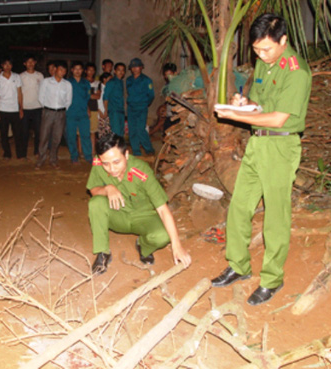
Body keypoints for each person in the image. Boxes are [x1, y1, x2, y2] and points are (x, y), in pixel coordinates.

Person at [212, 13, 312, 305]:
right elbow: (260, 103)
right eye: (256, 50)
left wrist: (233, 116)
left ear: (283, 41)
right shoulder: (263, 63)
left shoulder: (297, 72)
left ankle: (272, 280)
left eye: (266, 49)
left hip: (281, 147)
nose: (260, 55)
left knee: (276, 216)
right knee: (239, 207)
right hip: (257, 144)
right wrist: (245, 104)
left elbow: (280, 119)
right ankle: (239, 266)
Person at [86, 133, 192, 274]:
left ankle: (143, 246)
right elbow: (93, 190)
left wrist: (176, 245)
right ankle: (103, 253)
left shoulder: (141, 171)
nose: (111, 169)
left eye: (116, 162)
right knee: (96, 203)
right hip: (118, 214)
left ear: (127, 155)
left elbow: (162, 209)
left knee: (162, 236)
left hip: (143, 217)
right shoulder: (98, 163)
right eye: (106, 163)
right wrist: (107, 189)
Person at [36, 60, 72, 169]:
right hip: (48, 112)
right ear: (55, 69)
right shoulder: (46, 82)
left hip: (60, 113)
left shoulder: (67, 84)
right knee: (44, 137)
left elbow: (68, 100)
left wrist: (62, 110)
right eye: (61, 70)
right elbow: (40, 97)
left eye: (64, 71)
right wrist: (47, 108)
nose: (62, 72)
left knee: (57, 138)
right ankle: (41, 160)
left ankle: (53, 159)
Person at [0, 57, 23, 160]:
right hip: (3, 109)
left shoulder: (17, 77)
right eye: (5, 64)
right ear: (2, 65)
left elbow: (19, 93)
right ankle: (7, 153)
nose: (7, 66)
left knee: (17, 134)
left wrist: (21, 108)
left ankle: (20, 154)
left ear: (12, 66)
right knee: (4, 134)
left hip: (14, 109)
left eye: (9, 64)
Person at [126, 58, 155, 156]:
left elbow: (151, 95)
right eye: (133, 67)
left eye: (137, 66)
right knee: (132, 129)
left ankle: (149, 149)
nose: (135, 69)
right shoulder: (128, 80)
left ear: (141, 67)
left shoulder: (146, 80)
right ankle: (136, 150)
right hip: (131, 108)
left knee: (140, 129)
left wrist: (145, 104)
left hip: (141, 107)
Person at [66, 61, 92, 164]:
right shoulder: (67, 82)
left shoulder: (86, 83)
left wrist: (88, 109)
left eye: (80, 69)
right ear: (72, 70)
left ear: (83, 71)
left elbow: (87, 98)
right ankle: (74, 156)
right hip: (70, 113)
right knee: (71, 136)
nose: (77, 71)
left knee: (85, 135)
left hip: (83, 113)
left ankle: (88, 156)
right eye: (75, 69)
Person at [20, 54, 44, 157]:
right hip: (25, 107)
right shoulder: (21, 76)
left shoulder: (40, 75)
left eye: (32, 61)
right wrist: (20, 108)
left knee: (38, 131)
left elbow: (43, 91)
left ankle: (37, 151)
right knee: (24, 131)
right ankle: (23, 152)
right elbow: (19, 93)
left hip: (37, 107)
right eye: (28, 62)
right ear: (24, 64)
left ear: (35, 63)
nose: (30, 64)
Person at [103, 62, 126, 137]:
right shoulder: (111, 82)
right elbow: (106, 97)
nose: (121, 72)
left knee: (121, 132)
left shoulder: (121, 82)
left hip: (121, 110)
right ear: (114, 71)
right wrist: (106, 110)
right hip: (114, 110)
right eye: (119, 70)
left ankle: (120, 148)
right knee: (116, 132)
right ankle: (115, 148)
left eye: (123, 70)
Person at [85, 63, 101, 155]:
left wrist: (86, 95)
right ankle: (81, 152)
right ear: (85, 71)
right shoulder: (82, 82)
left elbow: (98, 96)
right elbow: (80, 96)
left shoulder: (97, 83)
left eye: (93, 70)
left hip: (94, 109)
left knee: (93, 132)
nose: (91, 72)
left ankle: (93, 152)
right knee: (81, 133)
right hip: (82, 109)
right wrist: (91, 95)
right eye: (89, 70)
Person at [97, 72, 113, 137]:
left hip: (107, 113)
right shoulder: (99, 88)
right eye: (110, 79)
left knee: (108, 133)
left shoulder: (109, 88)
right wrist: (100, 111)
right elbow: (97, 101)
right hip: (100, 113)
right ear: (104, 79)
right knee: (101, 134)